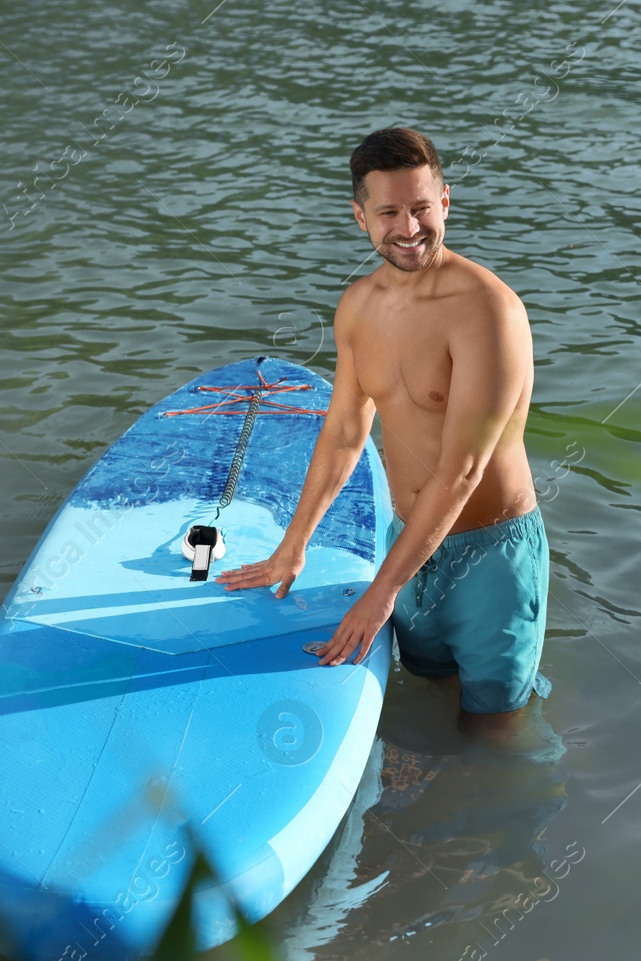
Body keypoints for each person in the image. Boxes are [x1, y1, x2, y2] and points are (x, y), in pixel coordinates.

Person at [218, 126, 553, 720]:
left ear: (444, 203)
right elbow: (346, 431)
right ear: (360, 216)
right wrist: (292, 548)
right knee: (424, 693)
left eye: (421, 208)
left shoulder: (487, 311)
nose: (408, 228)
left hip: (490, 555)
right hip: (407, 541)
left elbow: (463, 469)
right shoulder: (357, 307)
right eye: (390, 212)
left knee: (495, 725)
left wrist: (380, 593)